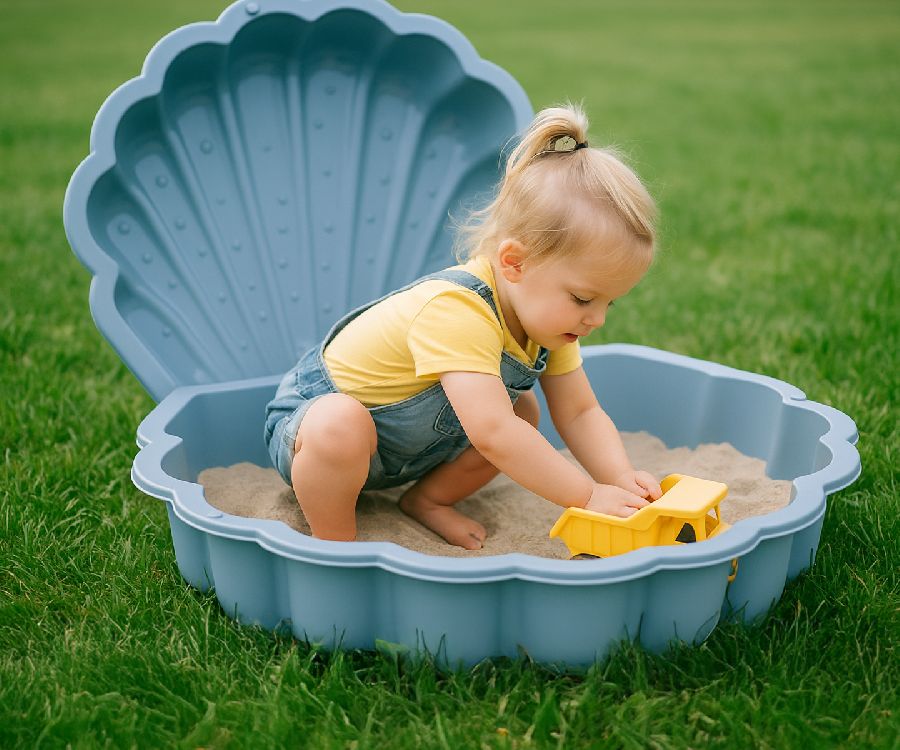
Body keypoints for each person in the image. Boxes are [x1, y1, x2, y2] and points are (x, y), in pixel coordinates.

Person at [264, 102, 663, 551]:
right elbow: (492, 433)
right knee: (343, 423)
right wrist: (588, 495)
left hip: (405, 452)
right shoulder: (457, 310)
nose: (597, 318)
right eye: (583, 298)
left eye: (609, 302)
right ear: (515, 262)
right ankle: (334, 543)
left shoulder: (549, 325)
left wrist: (620, 481)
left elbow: (580, 412)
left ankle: (427, 502)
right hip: (314, 432)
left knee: (523, 412)